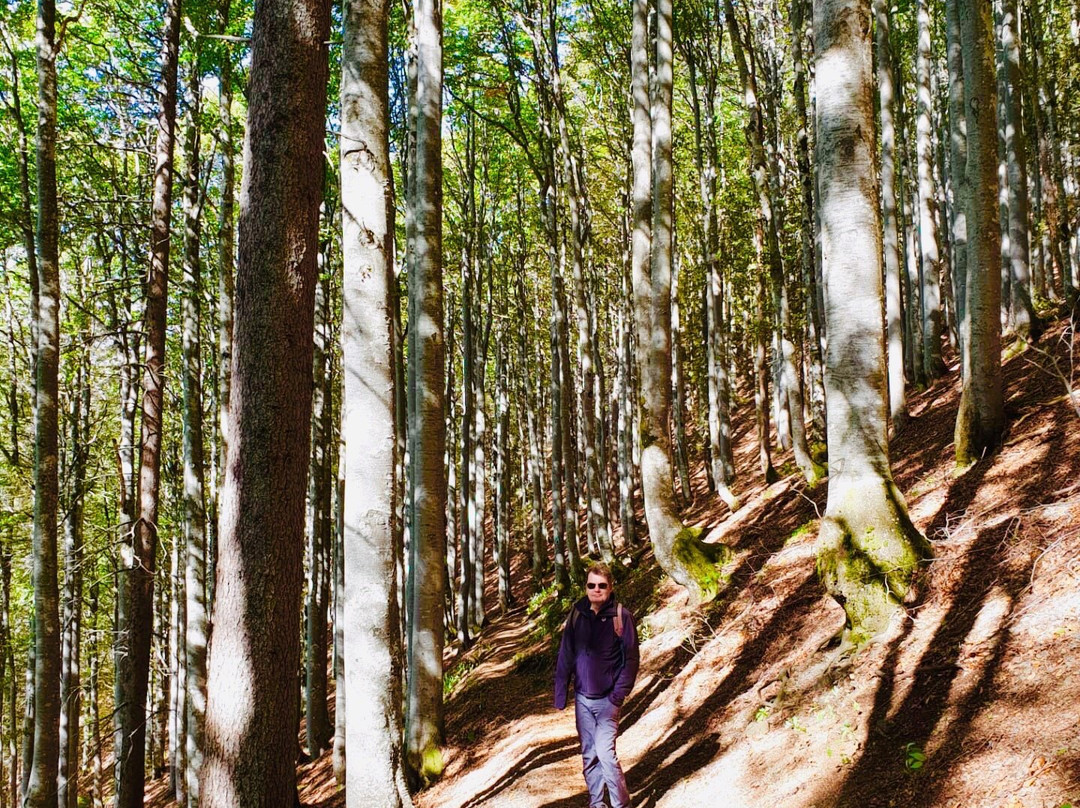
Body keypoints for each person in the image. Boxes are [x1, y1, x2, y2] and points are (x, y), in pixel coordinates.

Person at [554, 562, 640, 808]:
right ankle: (596, 803)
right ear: (586, 587)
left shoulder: (621, 616)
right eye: (591, 585)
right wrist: (561, 695)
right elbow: (565, 654)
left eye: (602, 586)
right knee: (589, 755)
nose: (596, 590)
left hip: (607, 701)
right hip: (582, 699)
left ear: (611, 588)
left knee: (605, 754)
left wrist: (618, 695)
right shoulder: (577, 614)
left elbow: (631, 659)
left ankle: (621, 804)